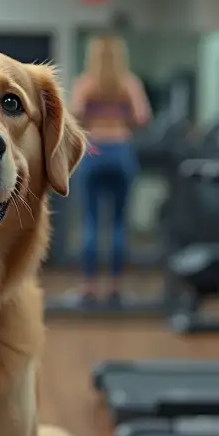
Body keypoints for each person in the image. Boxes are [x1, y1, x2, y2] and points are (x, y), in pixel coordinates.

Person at [70, 35, 152, 304]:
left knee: (92, 221)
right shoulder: (129, 83)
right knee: (118, 223)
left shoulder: (86, 83)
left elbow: (74, 114)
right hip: (120, 149)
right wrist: (120, 115)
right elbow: (142, 117)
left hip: (94, 150)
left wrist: (95, 116)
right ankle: (115, 286)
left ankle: (89, 286)